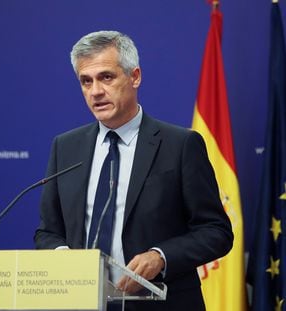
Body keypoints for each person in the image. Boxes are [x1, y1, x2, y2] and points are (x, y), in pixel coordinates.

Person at [34, 30, 233, 311]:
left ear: (135, 76)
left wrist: (160, 256)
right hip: (83, 303)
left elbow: (216, 232)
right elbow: (47, 232)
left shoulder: (180, 145)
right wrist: (63, 256)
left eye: (106, 77)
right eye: (85, 81)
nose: (95, 91)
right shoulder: (65, 147)